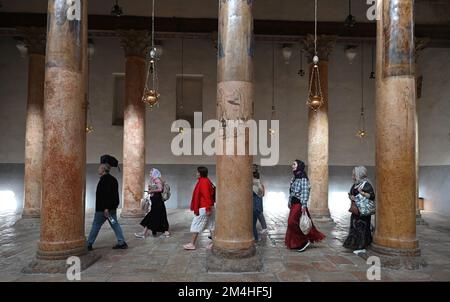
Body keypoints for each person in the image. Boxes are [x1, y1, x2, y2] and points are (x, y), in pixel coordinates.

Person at [285, 159, 325, 252]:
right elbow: (291, 192)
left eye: (294, 164)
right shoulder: (294, 178)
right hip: (294, 204)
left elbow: (305, 192)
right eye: (292, 164)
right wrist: (289, 201)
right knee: (298, 223)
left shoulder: (302, 178)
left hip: (299, 204)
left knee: (291, 222)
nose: (292, 166)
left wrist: (303, 205)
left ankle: (303, 241)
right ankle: (296, 242)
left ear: (299, 166)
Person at [87, 163, 128, 250]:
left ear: (103, 169)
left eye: (99, 168)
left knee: (96, 225)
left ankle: (88, 244)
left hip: (103, 210)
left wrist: (106, 208)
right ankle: (121, 242)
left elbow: (107, 196)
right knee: (114, 224)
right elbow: (114, 196)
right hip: (111, 209)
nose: (98, 170)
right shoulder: (113, 179)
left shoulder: (105, 180)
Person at [343, 166, 375, 254]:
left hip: (363, 211)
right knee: (355, 226)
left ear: (359, 175)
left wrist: (362, 193)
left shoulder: (366, 184)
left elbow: (372, 196)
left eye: (354, 174)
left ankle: (362, 246)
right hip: (356, 210)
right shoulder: (356, 184)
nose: (352, 176)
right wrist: (351, 197)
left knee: (362, 228)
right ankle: (356, 244)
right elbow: (351, 194)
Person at [183, 166, 215, 250]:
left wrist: (208, 209)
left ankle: (192, 244)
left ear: (200, 173)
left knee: (196, 224)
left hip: (204, 207)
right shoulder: (206, 180)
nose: (196, 174)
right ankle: (214, 243)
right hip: (208, 206)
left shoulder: (203, 182)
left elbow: (207, 195)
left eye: (197, 172)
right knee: (211, 225)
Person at [135, 168, 170, 238]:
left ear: (155, 173)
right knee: (160, 215)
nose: (150, 174)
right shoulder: (154, 180)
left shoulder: (157, 179)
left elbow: (160, 189)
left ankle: (144, 233)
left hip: (158, 200)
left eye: (151, 173)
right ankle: (165, 231)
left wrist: (152, 191)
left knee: (152, 215)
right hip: (156, 200)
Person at [252, 171, 267, 241]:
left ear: (253, 177)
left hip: (255, 207)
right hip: (258, 206)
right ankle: (256, 238)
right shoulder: (260, 184)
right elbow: (263, 194)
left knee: (254, 223)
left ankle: (264, 228)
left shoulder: (254, 185)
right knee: (253, 224)